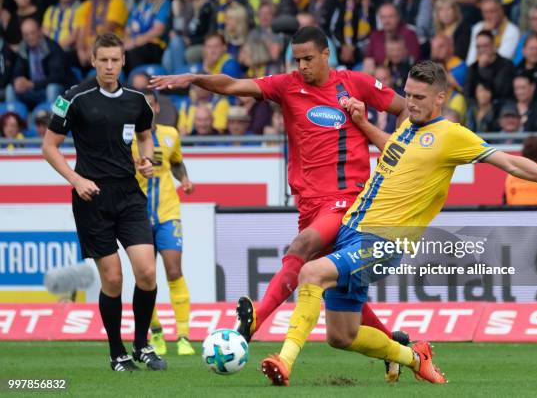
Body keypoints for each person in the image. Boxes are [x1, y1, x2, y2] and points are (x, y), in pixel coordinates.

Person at [259, 60, 537, 386]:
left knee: (311, 272)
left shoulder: (451, 135)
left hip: (383, 239)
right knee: (341, 336)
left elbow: (510, 163)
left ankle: (284, 362)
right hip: (353, 232)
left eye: (419, 98)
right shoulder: (407, 128)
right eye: (409, 95)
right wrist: (363, 123)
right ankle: (414, 357)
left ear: (440, 98)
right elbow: (394, 152)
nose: (411, 103)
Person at [150, 25, 409, 381]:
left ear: (325, 55)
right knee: (339, 293)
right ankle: (394, 343)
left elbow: (404, 109)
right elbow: (232, 85)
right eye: (296, 59)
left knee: (300, 248)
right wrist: (194, 77)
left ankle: (256, 317)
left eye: (307, 59)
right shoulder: (287, 86)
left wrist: (399, 149)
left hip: (349, 201)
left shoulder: (355, 83)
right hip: (309, 205)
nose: (301, 65)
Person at [42, 33, 166, 372]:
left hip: (129, 195)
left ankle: (142, 345)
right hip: (92, 197)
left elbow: (144, 134)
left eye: (115, 60)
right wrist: (77, 180)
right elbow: (49, 147)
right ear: (94, 61)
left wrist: (145, 159)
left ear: (123, 60)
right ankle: (117, 352)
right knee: (112, 279)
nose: (110, 66)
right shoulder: (73, 98)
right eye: (104, 60)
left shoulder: (136, 100)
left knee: (147, 272)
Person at [130, 89, 196, 357]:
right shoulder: (128, 138)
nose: (147, 108)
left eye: (151, 104)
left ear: (156, 107)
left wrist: (185, 179)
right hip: (137, 215)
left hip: (168, 212)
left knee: (174, 270)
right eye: (142, 105)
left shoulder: (170, 135)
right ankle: (155, 332)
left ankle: (183, 336)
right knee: (147, 276)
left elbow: (177, 163)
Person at [12, 18, 68, 109]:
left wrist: (32, 84)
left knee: (52, 88)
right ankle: (13, 119)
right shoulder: (23, 48)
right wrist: (18, 81)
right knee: (11, 89)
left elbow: (58, 77)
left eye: (33, 32)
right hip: (33, 91)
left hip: (59, 91)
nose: (30, 37)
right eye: (26, 35)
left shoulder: (52, 47)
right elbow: (16, 72)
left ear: (40, 31)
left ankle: (52, 120)